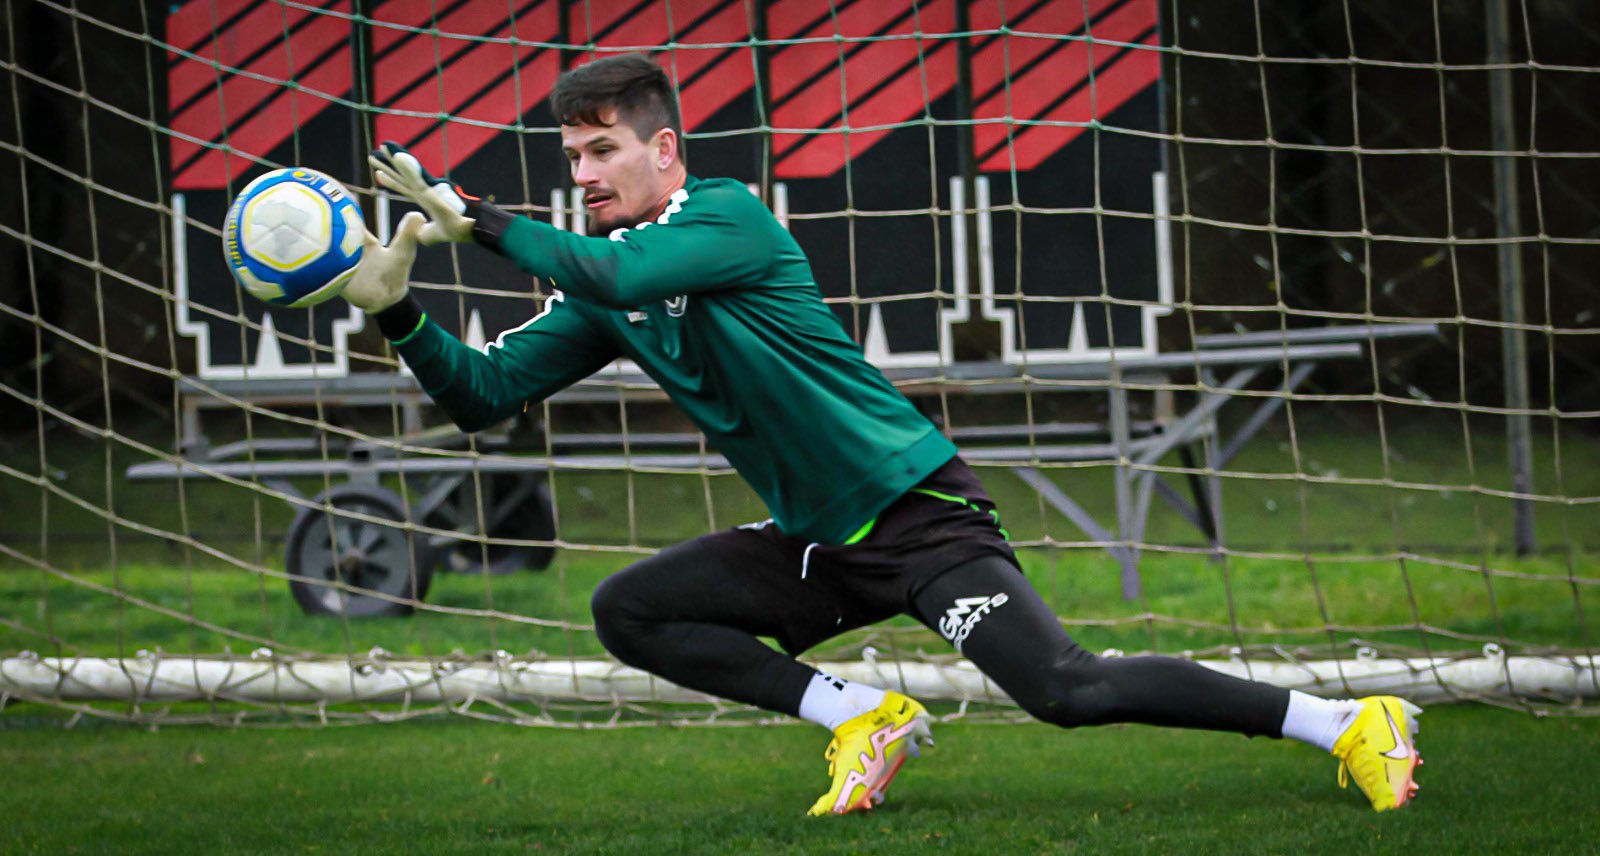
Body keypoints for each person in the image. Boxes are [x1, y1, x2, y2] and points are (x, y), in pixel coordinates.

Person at [345, 54, 1423, 815]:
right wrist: (397, 309)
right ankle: (861, 716)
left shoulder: (726, 218)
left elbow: (620, 271)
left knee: (1065, 690)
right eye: (571, 156)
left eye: (601, 151)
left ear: (663, 149)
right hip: (815, 541)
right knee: (630, 609)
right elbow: (484, 396)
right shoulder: (601, 282)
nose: (582, 175)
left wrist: (485, 220)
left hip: (913, 515)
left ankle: (1344, 723)